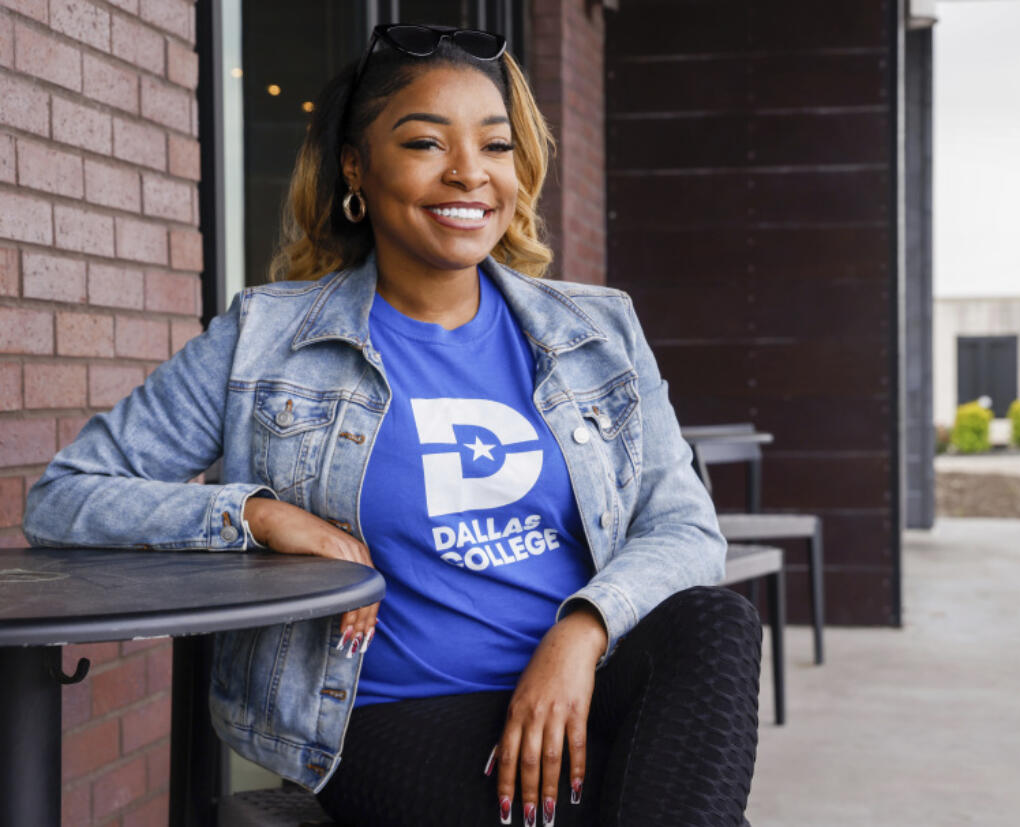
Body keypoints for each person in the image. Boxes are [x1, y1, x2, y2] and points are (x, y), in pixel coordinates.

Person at [23, 23, 762, 827]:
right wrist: (257, 515)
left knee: (717, 621)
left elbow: (686, 529)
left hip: (575, 687)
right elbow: (64, 496)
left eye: (495, 146)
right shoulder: (266, 340)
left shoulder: (597, 330)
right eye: (424, 143)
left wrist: (581, 630)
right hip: (395, 717)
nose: (469, 174)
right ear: (356, 169)